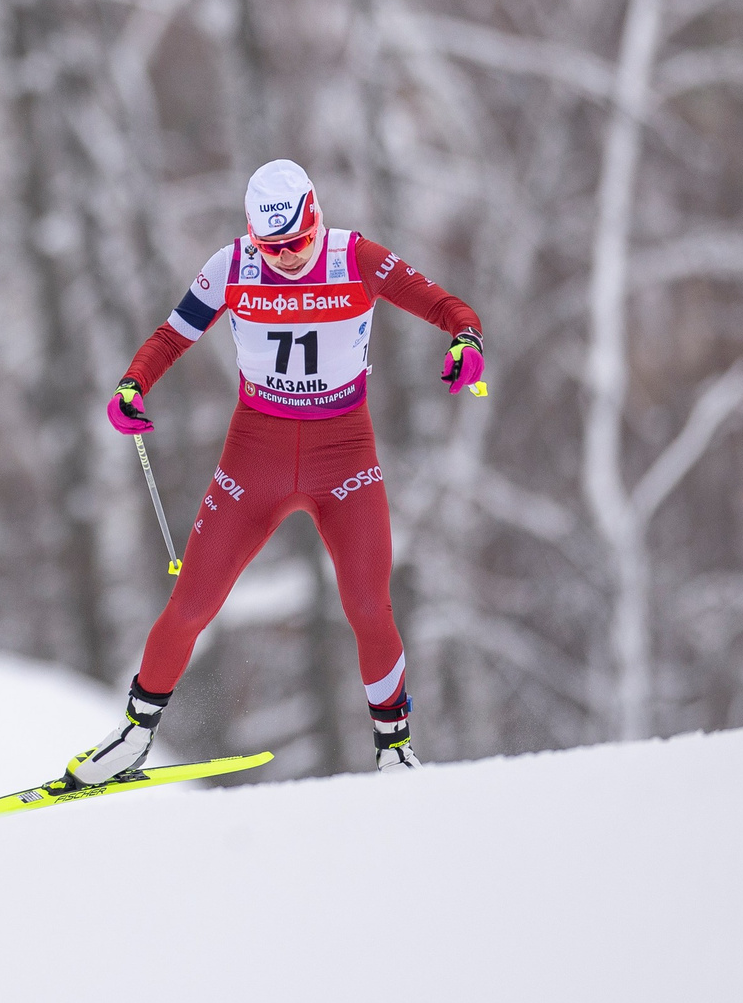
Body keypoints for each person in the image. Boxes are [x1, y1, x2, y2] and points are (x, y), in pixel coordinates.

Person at [64, 158, 485, 782]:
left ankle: (394, 746)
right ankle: (131, 737)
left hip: (344, 456)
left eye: (296, 242)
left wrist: (466, 344)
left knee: (369, 605)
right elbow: (173, 335)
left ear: (316, 217)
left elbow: (449, 308)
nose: (286, 257)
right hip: (254, 455)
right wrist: (132, 385)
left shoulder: (355, 258)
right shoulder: (232, 265)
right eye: (273, 247)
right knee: (190, 605)